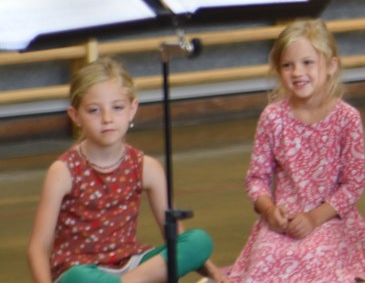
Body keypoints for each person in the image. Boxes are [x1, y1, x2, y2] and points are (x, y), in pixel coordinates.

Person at [224, 19, 365, 282]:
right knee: (263, 268)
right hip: (282, 222)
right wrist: (269, 210)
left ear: (331, 65)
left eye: (307, 62)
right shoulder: (272, 117)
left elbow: (352, 185)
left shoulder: (347, 118)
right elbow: (256, 178)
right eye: (287, 65)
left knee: (314, 263)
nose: (297, 72)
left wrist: (313, 218)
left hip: (329, 219)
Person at [27, 57, 227, 283]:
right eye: (94, 110)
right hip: (83, 272)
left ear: (132, 109)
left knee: (200, 241)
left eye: (117, 107)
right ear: (76, 116)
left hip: (132, 265)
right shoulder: (63, 171)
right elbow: (38, 247)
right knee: (79, 278)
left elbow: (174, 235)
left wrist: (212, 270)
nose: (107, 119)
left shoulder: (146, 167)